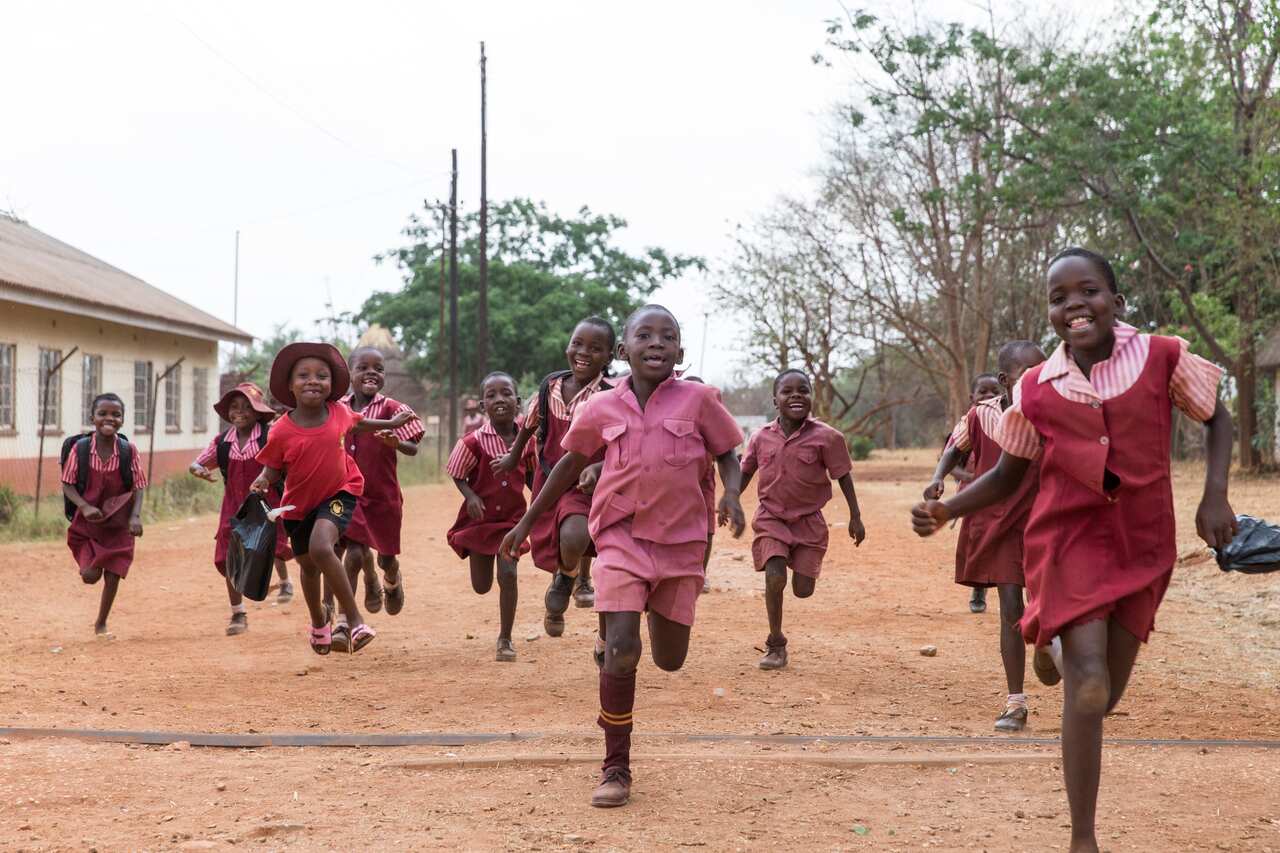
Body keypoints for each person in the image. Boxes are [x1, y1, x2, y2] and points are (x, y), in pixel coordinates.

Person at [911, 247, 1235, 853]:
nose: (1074, 306)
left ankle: (1052, 640)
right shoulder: (1035, 387)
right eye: (1059, 299)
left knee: (1104, 697)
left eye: (1087, 292)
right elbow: (1008, 474)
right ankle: (1082, 839)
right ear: (1051, 313)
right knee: (1086, 689)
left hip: (1142, 544)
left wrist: (1215, 495)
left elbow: (1218, 418)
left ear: (1117, 301)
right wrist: (947, 509)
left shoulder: (1163, 355)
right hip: (1066, 538)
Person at [501, 304, 746, 809]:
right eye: (645, 335)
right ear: (623, 351)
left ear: (680, 351)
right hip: (620, 539)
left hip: (680, 546)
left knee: (670, 659)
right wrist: (527, 522)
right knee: (623, 648)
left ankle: (638, 618)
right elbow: (568, 465)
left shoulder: (699, 400)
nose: (657, 343)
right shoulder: (602, 407)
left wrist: (732, 493)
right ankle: (616, 766)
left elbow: (727, 453)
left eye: (668, 336)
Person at [250, 342, 416, 655]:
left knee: (322, 547)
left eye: (321, 376)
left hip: (340, 493)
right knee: (309, 567)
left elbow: (361, 423)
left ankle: (354, 621)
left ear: (332, 384)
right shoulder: (281, 430)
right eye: (304, 375)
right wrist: (261, 480)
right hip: (298, 507)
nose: (313, 380)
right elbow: (272, 469)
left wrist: (392, 424)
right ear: (289, 385)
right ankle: (318, 623)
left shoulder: (339, 412)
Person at [922, 342, 1046, 730]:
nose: (1038, 378)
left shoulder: (1057, 409)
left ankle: (1048, 646)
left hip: (1047, 519)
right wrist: (938, 477)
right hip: (1000, 521)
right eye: (1028, 372)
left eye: (1042, 369)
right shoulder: (980, 415)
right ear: (1005, 381)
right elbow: (954, 448)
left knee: (1049, 607)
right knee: (1010, 605)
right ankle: (1016, 702)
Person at [494, 316, 616, 636]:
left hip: (585, 485)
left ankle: (569, 576)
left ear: (610, 357)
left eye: (595, 348)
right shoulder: (550, 387)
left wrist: (600, 468)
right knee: (553, 542)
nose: (583, 352)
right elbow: (529, 426)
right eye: (577, 343)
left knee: (574, 536)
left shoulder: (610, 396)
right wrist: (513, 456)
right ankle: (566, 574)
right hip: (548, 477)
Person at [740, 369, 865, 670]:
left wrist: (855, 516)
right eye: (787, 391)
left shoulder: (828, 437)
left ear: (812, 397)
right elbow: (745, 472)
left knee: (802, 590)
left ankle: (801, 572)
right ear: (775, 400)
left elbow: (843, 477)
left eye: (803, 390)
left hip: (809, 521)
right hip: (771, 518)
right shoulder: (760, 438)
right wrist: (729, 501)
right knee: (775, 576)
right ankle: (776, 643)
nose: (796, 395)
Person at [329, 346, 425, 643]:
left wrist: (397, 443)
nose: (372, 372)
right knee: (354, 552)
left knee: (386, 557)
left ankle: (391, 580)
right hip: (347, 493)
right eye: (363, 367)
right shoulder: (337, 408)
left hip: (383, 497)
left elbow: (413, 446)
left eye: (379, 369)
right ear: (350, 374)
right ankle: (345, 622)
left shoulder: (394, 409)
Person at [189, 381, 295, 635]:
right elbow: (197, 463)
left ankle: (286, 583)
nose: (239, 412)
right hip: (233, 509)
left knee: (275, 550)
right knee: (229, 558)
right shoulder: (222, 442)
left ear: (258, 411)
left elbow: (289, 463)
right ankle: (238, 614)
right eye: (234, 407)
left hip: (267, 506)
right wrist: (198, 470)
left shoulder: (271, 436)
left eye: (246, 407)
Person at [446, 372, 536, 661]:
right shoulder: (473, 442)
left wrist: (543, 506)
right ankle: (479, 560)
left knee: (508, 574)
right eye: (492, 395)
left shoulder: (527, 441)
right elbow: (456, 473)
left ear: (518, 401)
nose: (500, 399)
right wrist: (470, 496)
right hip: (480, 522)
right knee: (482, 586)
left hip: (512, 521)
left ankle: (505, 639)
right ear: (483, 405)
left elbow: (535, 477)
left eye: (506, 393)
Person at [61, 393, 146, 637]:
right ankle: (90, 568)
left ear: (123, 420)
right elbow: (67, 483)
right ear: (92, 418)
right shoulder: (81, 449)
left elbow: (138, 485)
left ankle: (101, 623)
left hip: (119, 522)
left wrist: (135, 516)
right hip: (89, 524)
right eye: (103, 414)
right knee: (90, 576)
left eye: (116, 415)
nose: (109, 418)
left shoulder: (128, 450)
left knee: (113, 573)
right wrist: (84, 506)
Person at [947, 373, 1002, 613]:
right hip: (976, 498)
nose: (989, 396)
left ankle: (1015, 589)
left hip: (1007, 494)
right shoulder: (967, 423)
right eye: (983, 392)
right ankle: (979, 588)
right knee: (980, 543)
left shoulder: (1009, 419)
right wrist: (970, 479)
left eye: (994, 391)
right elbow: (951, 460)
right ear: (972, 397)